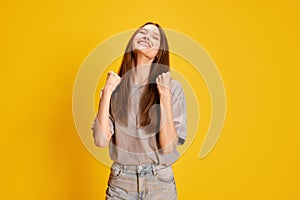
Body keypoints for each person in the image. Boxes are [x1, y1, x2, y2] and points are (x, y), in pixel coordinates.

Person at [91, 22, 187, 200]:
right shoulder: (116, 89)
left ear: (159, 52)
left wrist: (164, 95)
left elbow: (167, 147)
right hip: (121, 182)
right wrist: (107, 94)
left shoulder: (172, 88)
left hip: (159, 182)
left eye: (154, 37)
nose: (146, 37)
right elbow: (100, 140)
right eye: (142, 33)